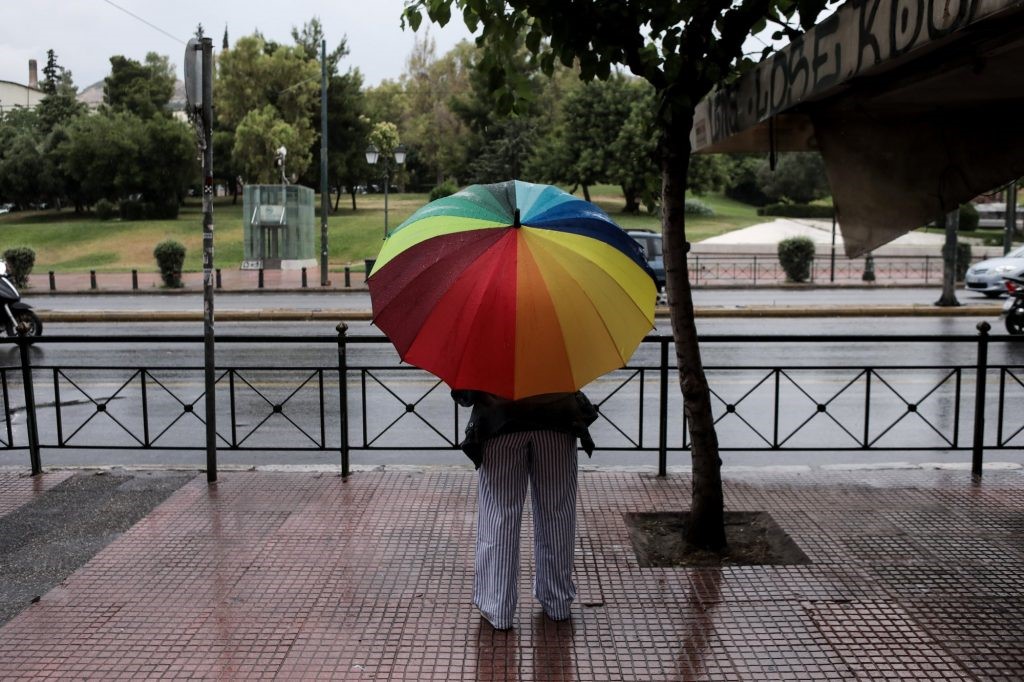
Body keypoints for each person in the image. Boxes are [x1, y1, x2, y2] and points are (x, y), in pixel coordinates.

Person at [452, 389, 598, 631]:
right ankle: (557, 601)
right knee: (557, 512)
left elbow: (464, 395)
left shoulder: (488, 348)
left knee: (500, 515)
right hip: (557, 420)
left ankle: (498, 606)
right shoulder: (557, 348)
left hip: (500, 423)